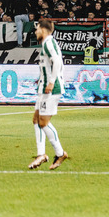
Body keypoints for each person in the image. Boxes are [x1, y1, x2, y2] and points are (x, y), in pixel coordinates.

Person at [29, 18, 70, 170]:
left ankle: (60, 153)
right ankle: (41, 154)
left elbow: (58, 62)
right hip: (43, 87)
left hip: (51, 88)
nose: (36, 32)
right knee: (36, 120)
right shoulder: (46, 43)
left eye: (37, 29)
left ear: (44, 30)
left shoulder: (48, 42)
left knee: (43, 122)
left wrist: (51, 81)